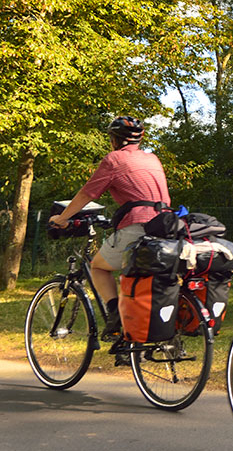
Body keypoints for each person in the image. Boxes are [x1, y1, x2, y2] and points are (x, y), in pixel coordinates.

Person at [49, 116, 170, 340]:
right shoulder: (153, 159)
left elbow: (88, 193)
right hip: (166, 226)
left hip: (137, 224)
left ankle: (115, 318)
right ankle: (131, 337)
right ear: (139, 139)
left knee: (98, 267)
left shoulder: (114, 159)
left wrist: (63, 218)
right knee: (138, 276)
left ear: (114, 139)